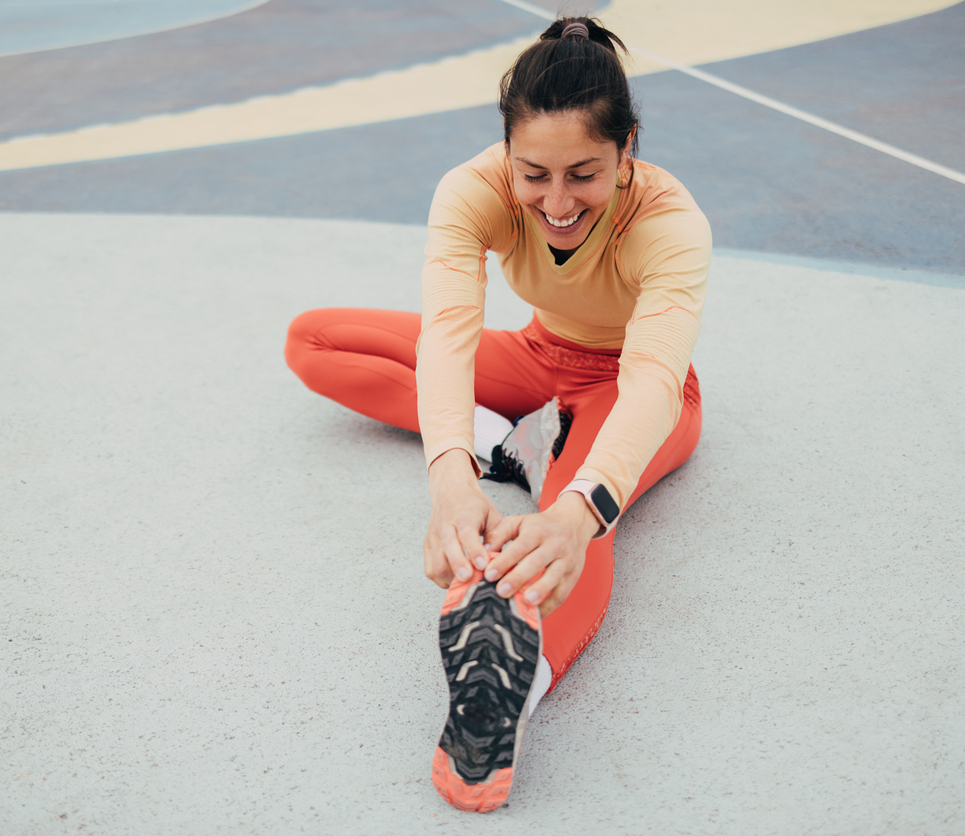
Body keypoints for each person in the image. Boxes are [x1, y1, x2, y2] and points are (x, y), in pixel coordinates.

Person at [285, 16, 710, 813]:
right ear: (506, 154)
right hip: (538, 354)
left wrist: (579, 512)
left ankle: (508, 693)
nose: (555, 201)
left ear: (627, 154)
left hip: (631, 391)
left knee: (567, 530)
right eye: (533, 174)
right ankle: (509, 448)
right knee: (313, 341)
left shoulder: (670, 223)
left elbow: (653, 378)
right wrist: (451, 479)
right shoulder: (472, 188)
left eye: (583, 173)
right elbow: (448, 334)